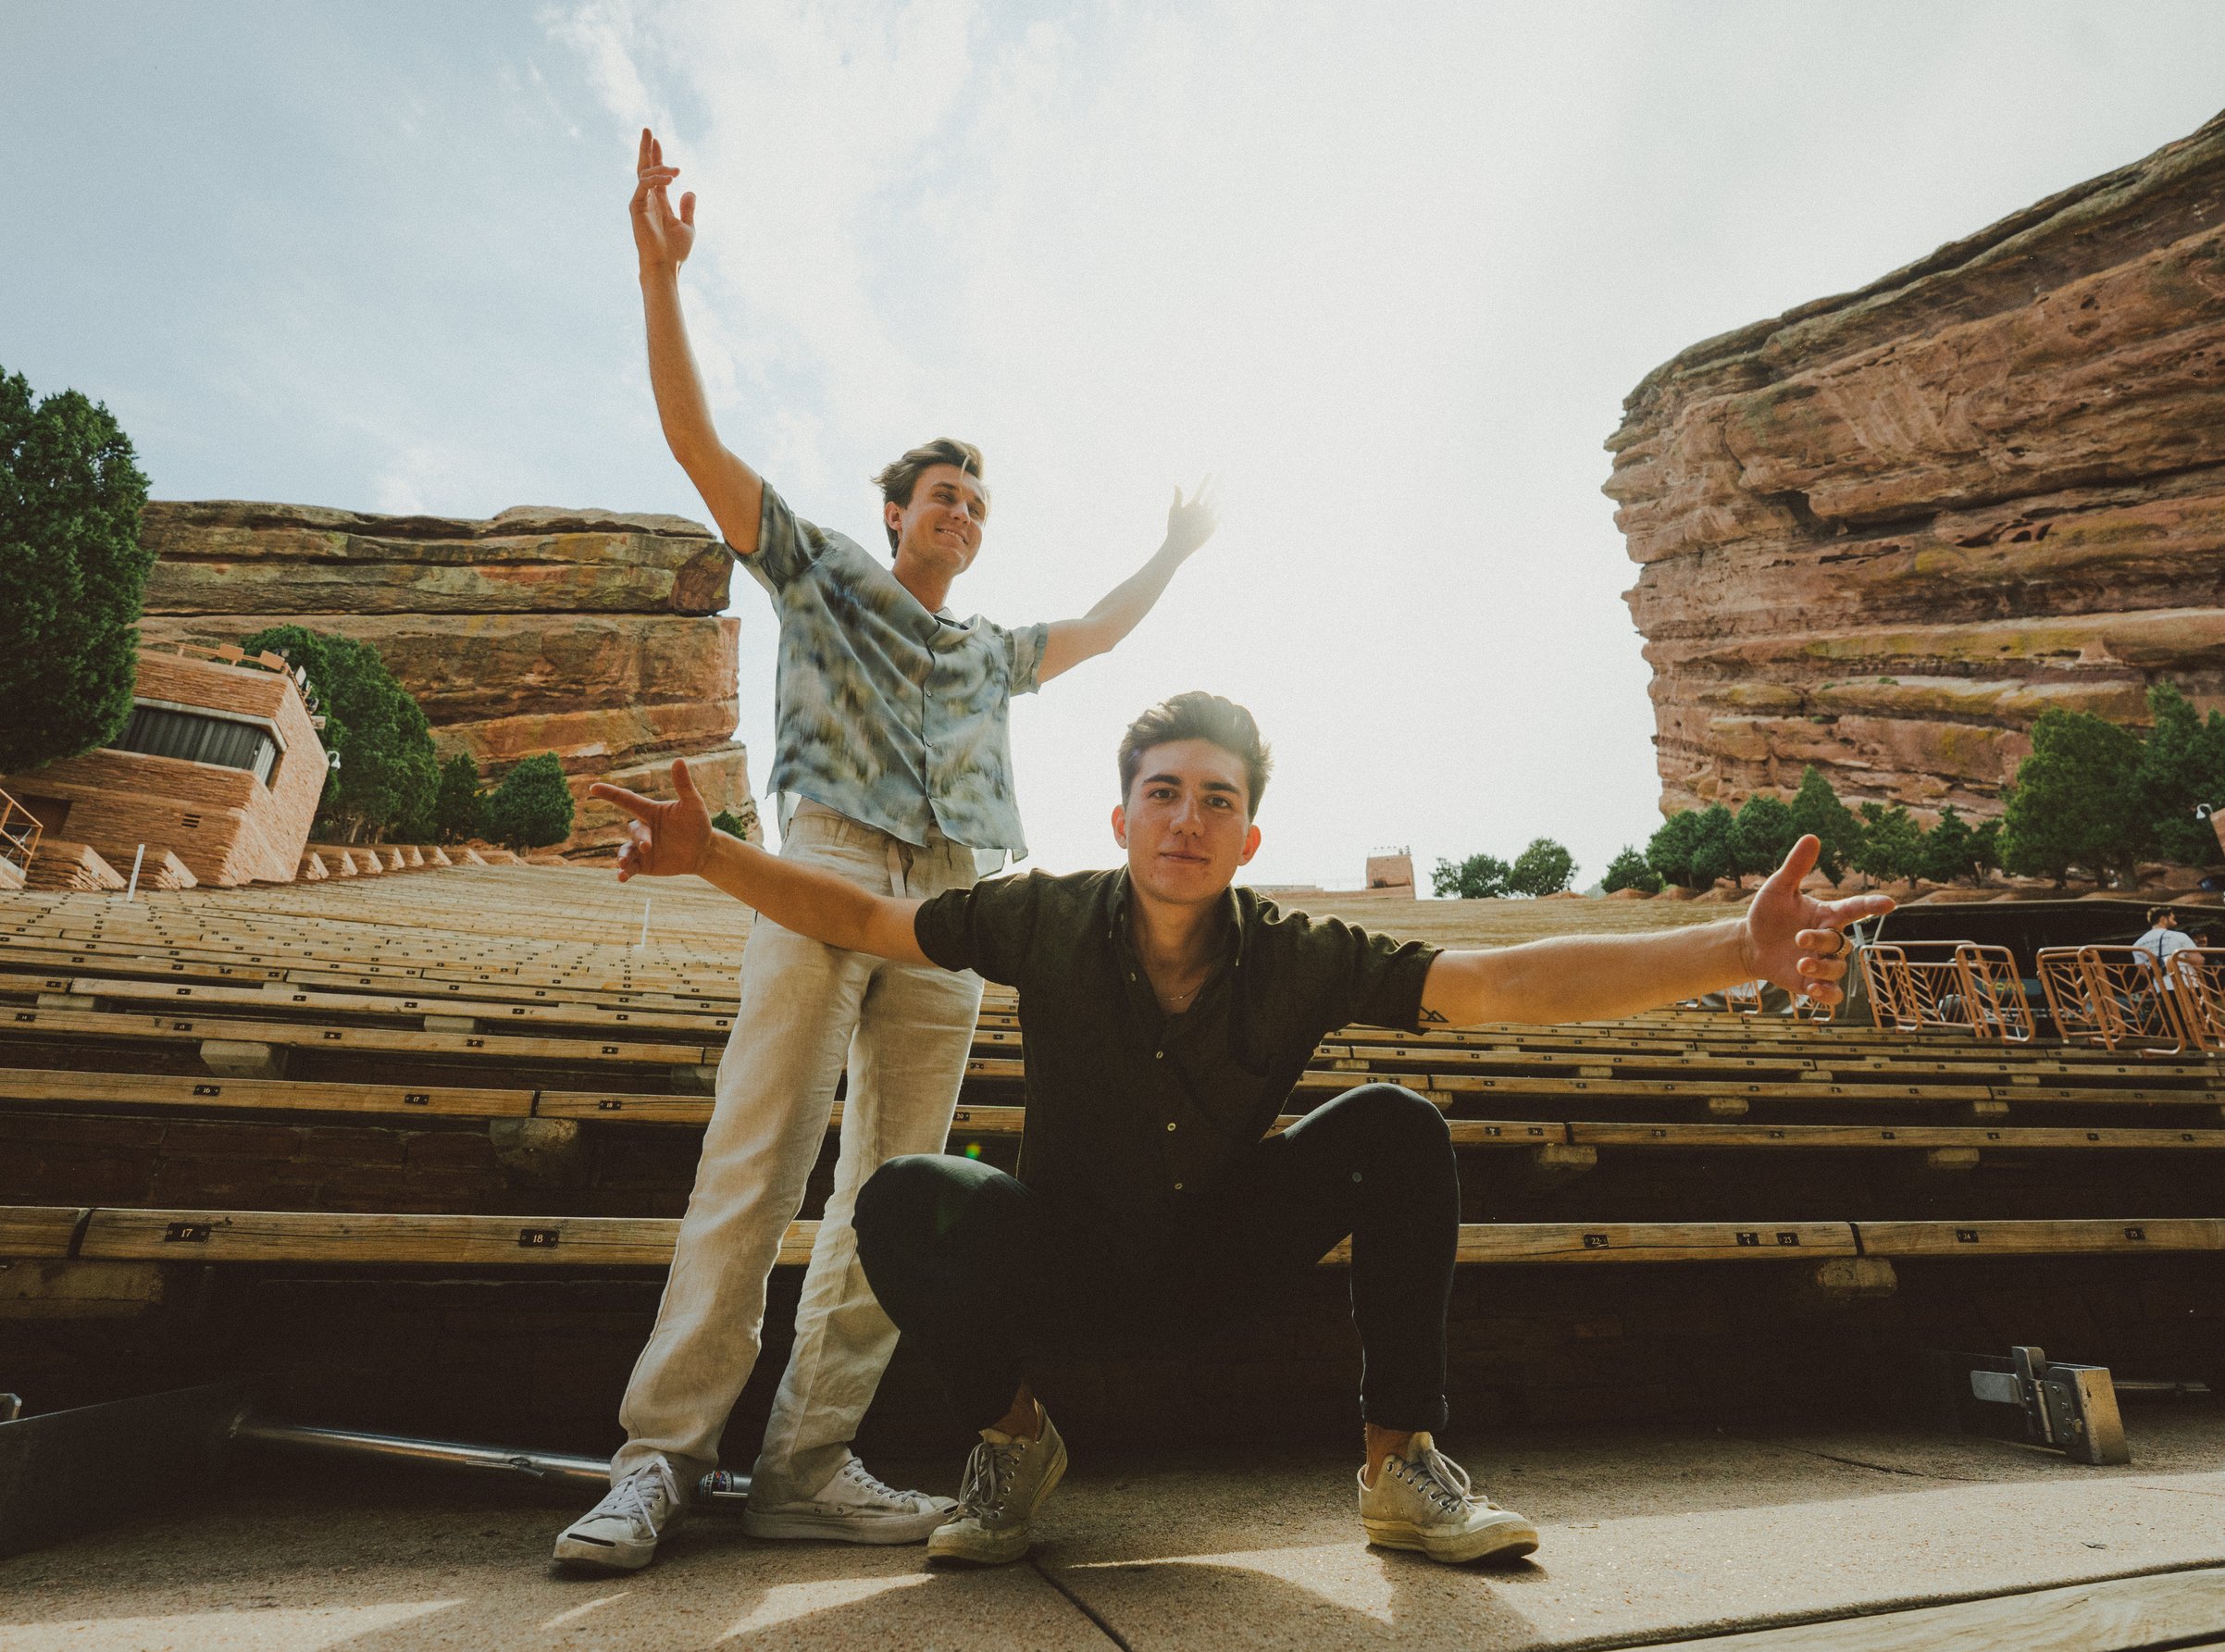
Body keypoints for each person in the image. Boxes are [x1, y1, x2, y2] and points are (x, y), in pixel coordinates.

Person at [589, 691, 1894, 1569]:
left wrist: (1736, 948)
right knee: (903, 1195)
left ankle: (1399, 1467)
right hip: (1072, 1265)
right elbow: (871, 924)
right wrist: (713, 859)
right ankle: (1012, 1442)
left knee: (1396, 1125)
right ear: (1122, 818)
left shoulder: (1299, 951)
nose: (1188, 818)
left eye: (1217, 799)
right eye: (1164, 792)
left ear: (1249, 832)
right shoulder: (1043, 915)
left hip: (1220, 1257)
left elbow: (1498, 986)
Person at [552, 131, 1222, 1573]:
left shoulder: (990, 651)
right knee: (758, 1157)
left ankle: (807, 1463)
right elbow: (695, 447)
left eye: (978, 504)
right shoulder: (823, 576)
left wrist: (1172, 552)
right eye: (943, 496)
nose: (962, 516)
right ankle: (661, 1457)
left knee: (892, 1191)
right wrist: (658, 279)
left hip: (961, 906)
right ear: (895, 512)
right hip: (829, 866)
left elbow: (1100, 635)